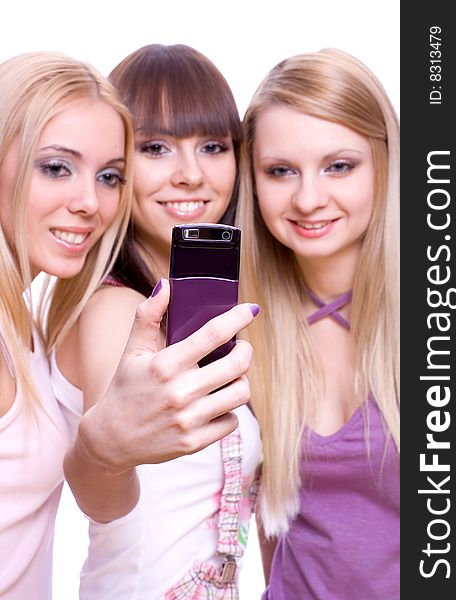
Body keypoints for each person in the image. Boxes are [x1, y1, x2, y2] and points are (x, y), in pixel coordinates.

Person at [0, 51, 257, 600]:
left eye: (108, 175)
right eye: (55, 167)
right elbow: (107, 496)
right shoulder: (109, 311)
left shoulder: (20, 322)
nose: (89, 201)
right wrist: (101, 453)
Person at [236, 48, 400, 599]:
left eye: (339, 166)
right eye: (280, 171)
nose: (308, 198)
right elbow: (268, 524)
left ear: (385, 161)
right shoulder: (244, 325)